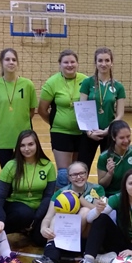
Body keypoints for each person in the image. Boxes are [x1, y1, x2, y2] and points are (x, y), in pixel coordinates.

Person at [32, 161, 105, 263]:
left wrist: (79, 198)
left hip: (86, 240)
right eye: (74, 175)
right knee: (56, 217)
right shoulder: (61, 193)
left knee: (85, 211)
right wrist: (43, 228)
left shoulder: (97, 189)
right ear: (69, 178)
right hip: (65, 237)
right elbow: (48, 217)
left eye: (82, 173)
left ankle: (52, 256)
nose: (79, 177)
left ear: (87, 174)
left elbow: (99, 212)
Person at [0, 130, 56, 245]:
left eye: (30, 144)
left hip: (38, 209)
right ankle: (3, 231)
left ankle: (28, 230)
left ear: (37, 144)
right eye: (22, 145)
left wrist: (37, 218)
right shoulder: (11, 165)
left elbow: (48, 195)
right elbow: (0, 196)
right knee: (25, 214)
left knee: (41, 239)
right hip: (15, 207)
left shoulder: (48, 166)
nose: (26, 149)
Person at [38, 49, 88, 188]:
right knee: (64, 175)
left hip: (82, 133)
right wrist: (56, 123)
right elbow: (42, 110)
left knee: (78, 173)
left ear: (77, 63)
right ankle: (61, 199)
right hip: (61, 133)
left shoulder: (86, 80)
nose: (69, 65)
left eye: (72, 62)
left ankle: (78, 199)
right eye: (66, 62)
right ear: (60, 64)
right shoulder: (52, 82)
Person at [0, 48, 38, 169]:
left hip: (24, 137)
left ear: (17, 63)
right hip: (2, 137)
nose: (11, 62)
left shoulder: (28, 84)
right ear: (1, 62)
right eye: (7, 59)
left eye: (14, 60)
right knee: (7, 172)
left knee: (24, 171)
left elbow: (31, 110)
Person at [78, 47, 126, 169]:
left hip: (109, 133)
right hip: (89, 133)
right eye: (100, 60)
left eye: (107, 60)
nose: (103, 64)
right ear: (95, 63)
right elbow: (81, 109)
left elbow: (120, 114)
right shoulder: (87, 83)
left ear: (112, 62)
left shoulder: (119, 86)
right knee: (83, 166)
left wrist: (108, 130)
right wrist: (88, 132)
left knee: (108, 168)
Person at [97, 120, 132, 197]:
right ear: (113, 137)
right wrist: (109, 174)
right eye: (122, 138)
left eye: (128, 136)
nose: (126, 140)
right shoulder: (104, 157)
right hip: (112, 196)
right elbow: (102, 184)